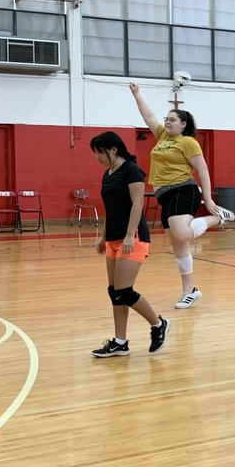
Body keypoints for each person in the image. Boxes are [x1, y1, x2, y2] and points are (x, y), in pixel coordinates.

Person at [129, 83, 234, 309]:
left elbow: (202, 169)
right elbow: (148, 116)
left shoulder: (188, 142)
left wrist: (208, 199)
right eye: (166, 119)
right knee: (180, 248)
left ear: (183, 124)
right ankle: (190, 291)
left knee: (183, 234)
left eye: (172, 119)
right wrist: (137, 94)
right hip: (165, 195)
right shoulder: (162, 137)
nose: (167, 122)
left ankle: (219, 218)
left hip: (183, 190)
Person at [90, 131, 169, 357]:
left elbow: (137, 204)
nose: (97, 157)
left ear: (113, 149)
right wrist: (103, 236)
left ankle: (158, 324)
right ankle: (120, 342)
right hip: (113, 238)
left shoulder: (132, 170)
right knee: (114, 292)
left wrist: (129, 235)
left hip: (133, 238)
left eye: (99, 152)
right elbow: (110, 209)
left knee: (124, 291)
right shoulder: (107, 174)